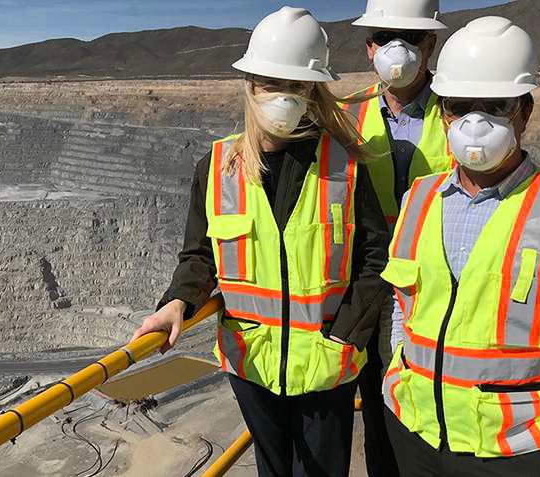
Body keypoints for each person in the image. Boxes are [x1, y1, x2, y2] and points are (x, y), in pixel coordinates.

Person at [130, 6, 389, 476]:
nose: (283, 96)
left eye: (296, 85)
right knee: (272, 470)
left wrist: (344, 338)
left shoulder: (346, 167)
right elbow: (200, 254)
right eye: (272, 82)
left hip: (327, 365)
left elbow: (374, 260)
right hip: (251, 363)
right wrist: (177, 303)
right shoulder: (218, 166)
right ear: (250, 84)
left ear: (314, 90)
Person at [380, 16, 540, 476]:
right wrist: (396, 377)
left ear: (525, 111)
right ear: (443, 113)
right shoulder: (416, 198)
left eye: (495, 104)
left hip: (518, 454)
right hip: (414, 432)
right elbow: (406, 305)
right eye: (461, 105)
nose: (475, 121)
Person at [346, 1, 452, 475]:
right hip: (369, 289)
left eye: (410, 39)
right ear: (369, 47)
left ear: (431, 44)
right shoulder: (346, 116)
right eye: (385, 36)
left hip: (438, 291)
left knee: (436, 412)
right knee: (379, 416)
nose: (398, 50)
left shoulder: (462, 114)